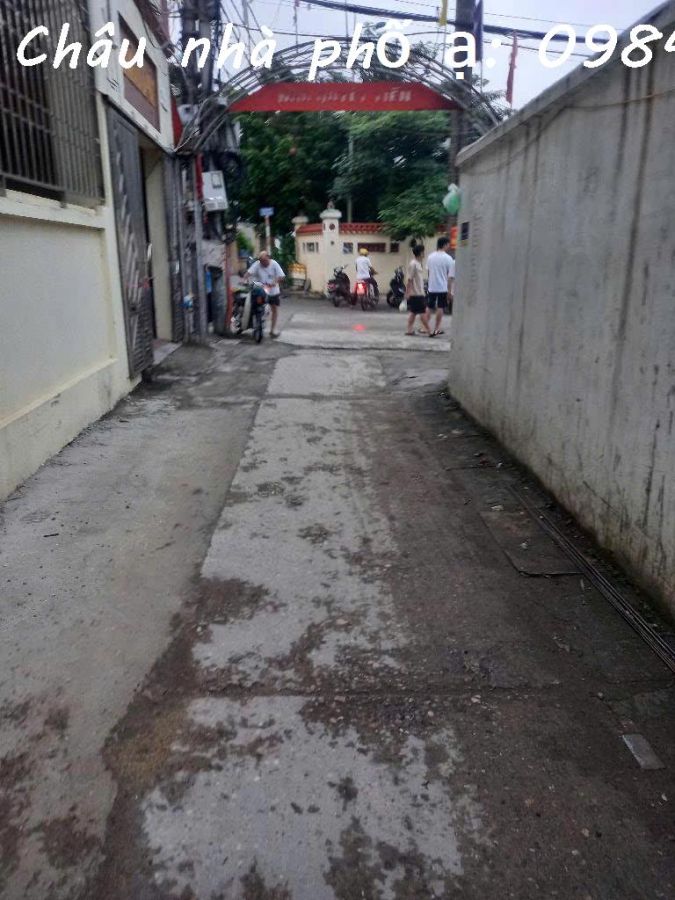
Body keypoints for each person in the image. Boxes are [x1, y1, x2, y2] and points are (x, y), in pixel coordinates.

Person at [246, 251, 285, 338]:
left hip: (273, 291)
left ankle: (272, 330)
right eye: (261, 261)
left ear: (268, 258)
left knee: (274, 309)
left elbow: (281, 276)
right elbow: (249, 272)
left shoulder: (274, 264)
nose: (263, 263)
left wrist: (275, 282)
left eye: (264, 261)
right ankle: (254, 325)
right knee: (253, 306)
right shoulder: (257, 264)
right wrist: (243, 279)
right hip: (260, 290)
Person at [426, 235, 455, 338]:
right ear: (445, 245)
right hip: (443, 287)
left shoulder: (430, 257)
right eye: (448, 244)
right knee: (440, 307)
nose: (449, 246)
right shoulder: (448, 258)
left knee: (429, 307)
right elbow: (450, 277)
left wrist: (430, 282)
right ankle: (437, 328)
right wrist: (450, 291)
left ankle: (424, 327)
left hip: (432, 286)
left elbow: (429, 272)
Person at [404, 245, 430, 336]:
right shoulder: (413, 264)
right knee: (423, 312)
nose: (424, 253)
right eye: (423, 252)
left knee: (413, 312)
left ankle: (409, 330)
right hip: (416, 293)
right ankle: (429, 331)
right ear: (420, 253)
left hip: (419, 292)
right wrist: (407, 292)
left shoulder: (418, 263)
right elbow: (409, 279)